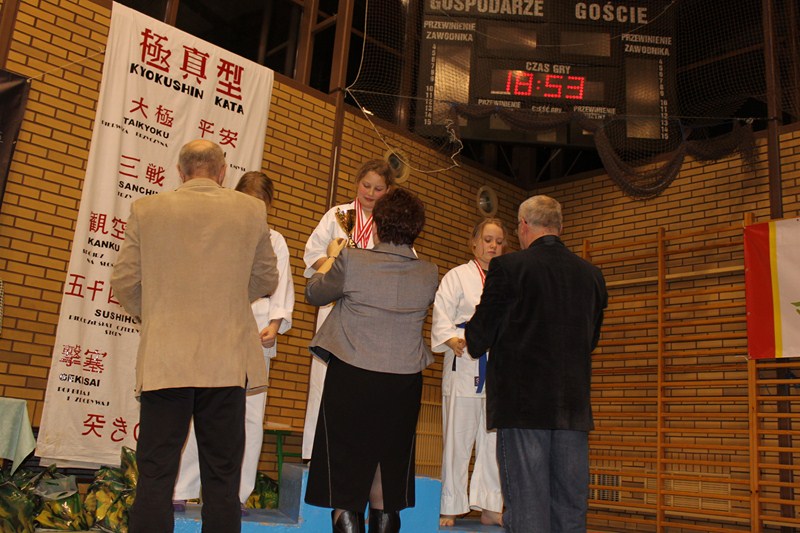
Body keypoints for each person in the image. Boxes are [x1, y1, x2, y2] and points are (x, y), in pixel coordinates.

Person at [111, 140, 279, 533]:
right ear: (222, 172)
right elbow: (266, 278)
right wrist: (229, 303)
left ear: (181, 171)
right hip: (225, 361)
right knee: (222, 475)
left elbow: (124, 281)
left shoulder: (147, 209)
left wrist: (157, 314)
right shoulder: (251, 210)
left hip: (166, 360)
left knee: (155, 472)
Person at [465, 195, 607, 533]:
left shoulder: (508, 268)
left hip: (523, 408)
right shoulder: (591, 275)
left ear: (524, 226)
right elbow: (590, 341)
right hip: (572, 410)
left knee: (528, 508)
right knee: (570, 511)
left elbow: (478, 338)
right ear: (560, 227)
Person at [304, 187, 438, 533]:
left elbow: (314, 293)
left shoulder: (353, 260)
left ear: (376, 225)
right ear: (416, 230)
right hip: (404, 383)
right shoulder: (429, 272)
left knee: (346, 480)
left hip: (353, 376)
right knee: (387, 477)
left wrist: (332, 258)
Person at [172, 171, 295, 514]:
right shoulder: (219, 232)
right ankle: (182, 488)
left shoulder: (275, 240)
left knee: (250, 417)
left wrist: (275, 324)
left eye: (260, 205)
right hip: (218, 330)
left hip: (257, 334)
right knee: (203, 408)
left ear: (268, 207)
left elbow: (282, 288)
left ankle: (236, 494)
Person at [301, 159, 394, 460]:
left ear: (388, 191)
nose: (370, 193)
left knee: (361, 381)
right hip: (334, 303)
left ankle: (353, 454)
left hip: (368, 312)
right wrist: (337, 272)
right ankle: (314, 453)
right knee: (322, 377)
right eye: (366, 185)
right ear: (357, 183)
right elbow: (312, 253)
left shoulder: (390, 225)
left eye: (378, 189)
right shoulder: (337, 215)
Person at [431, 219, 505, 527]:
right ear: (474, 242)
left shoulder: (507, 279)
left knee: (492, 441)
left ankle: (490, 505)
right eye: (487, 240)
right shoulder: (457, 276)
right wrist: (450, 338)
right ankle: (450, 505)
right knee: (457, 439)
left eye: (499, 241)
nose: (493, 246)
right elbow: (442, 313)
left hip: (498, 365)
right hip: (464, 360)